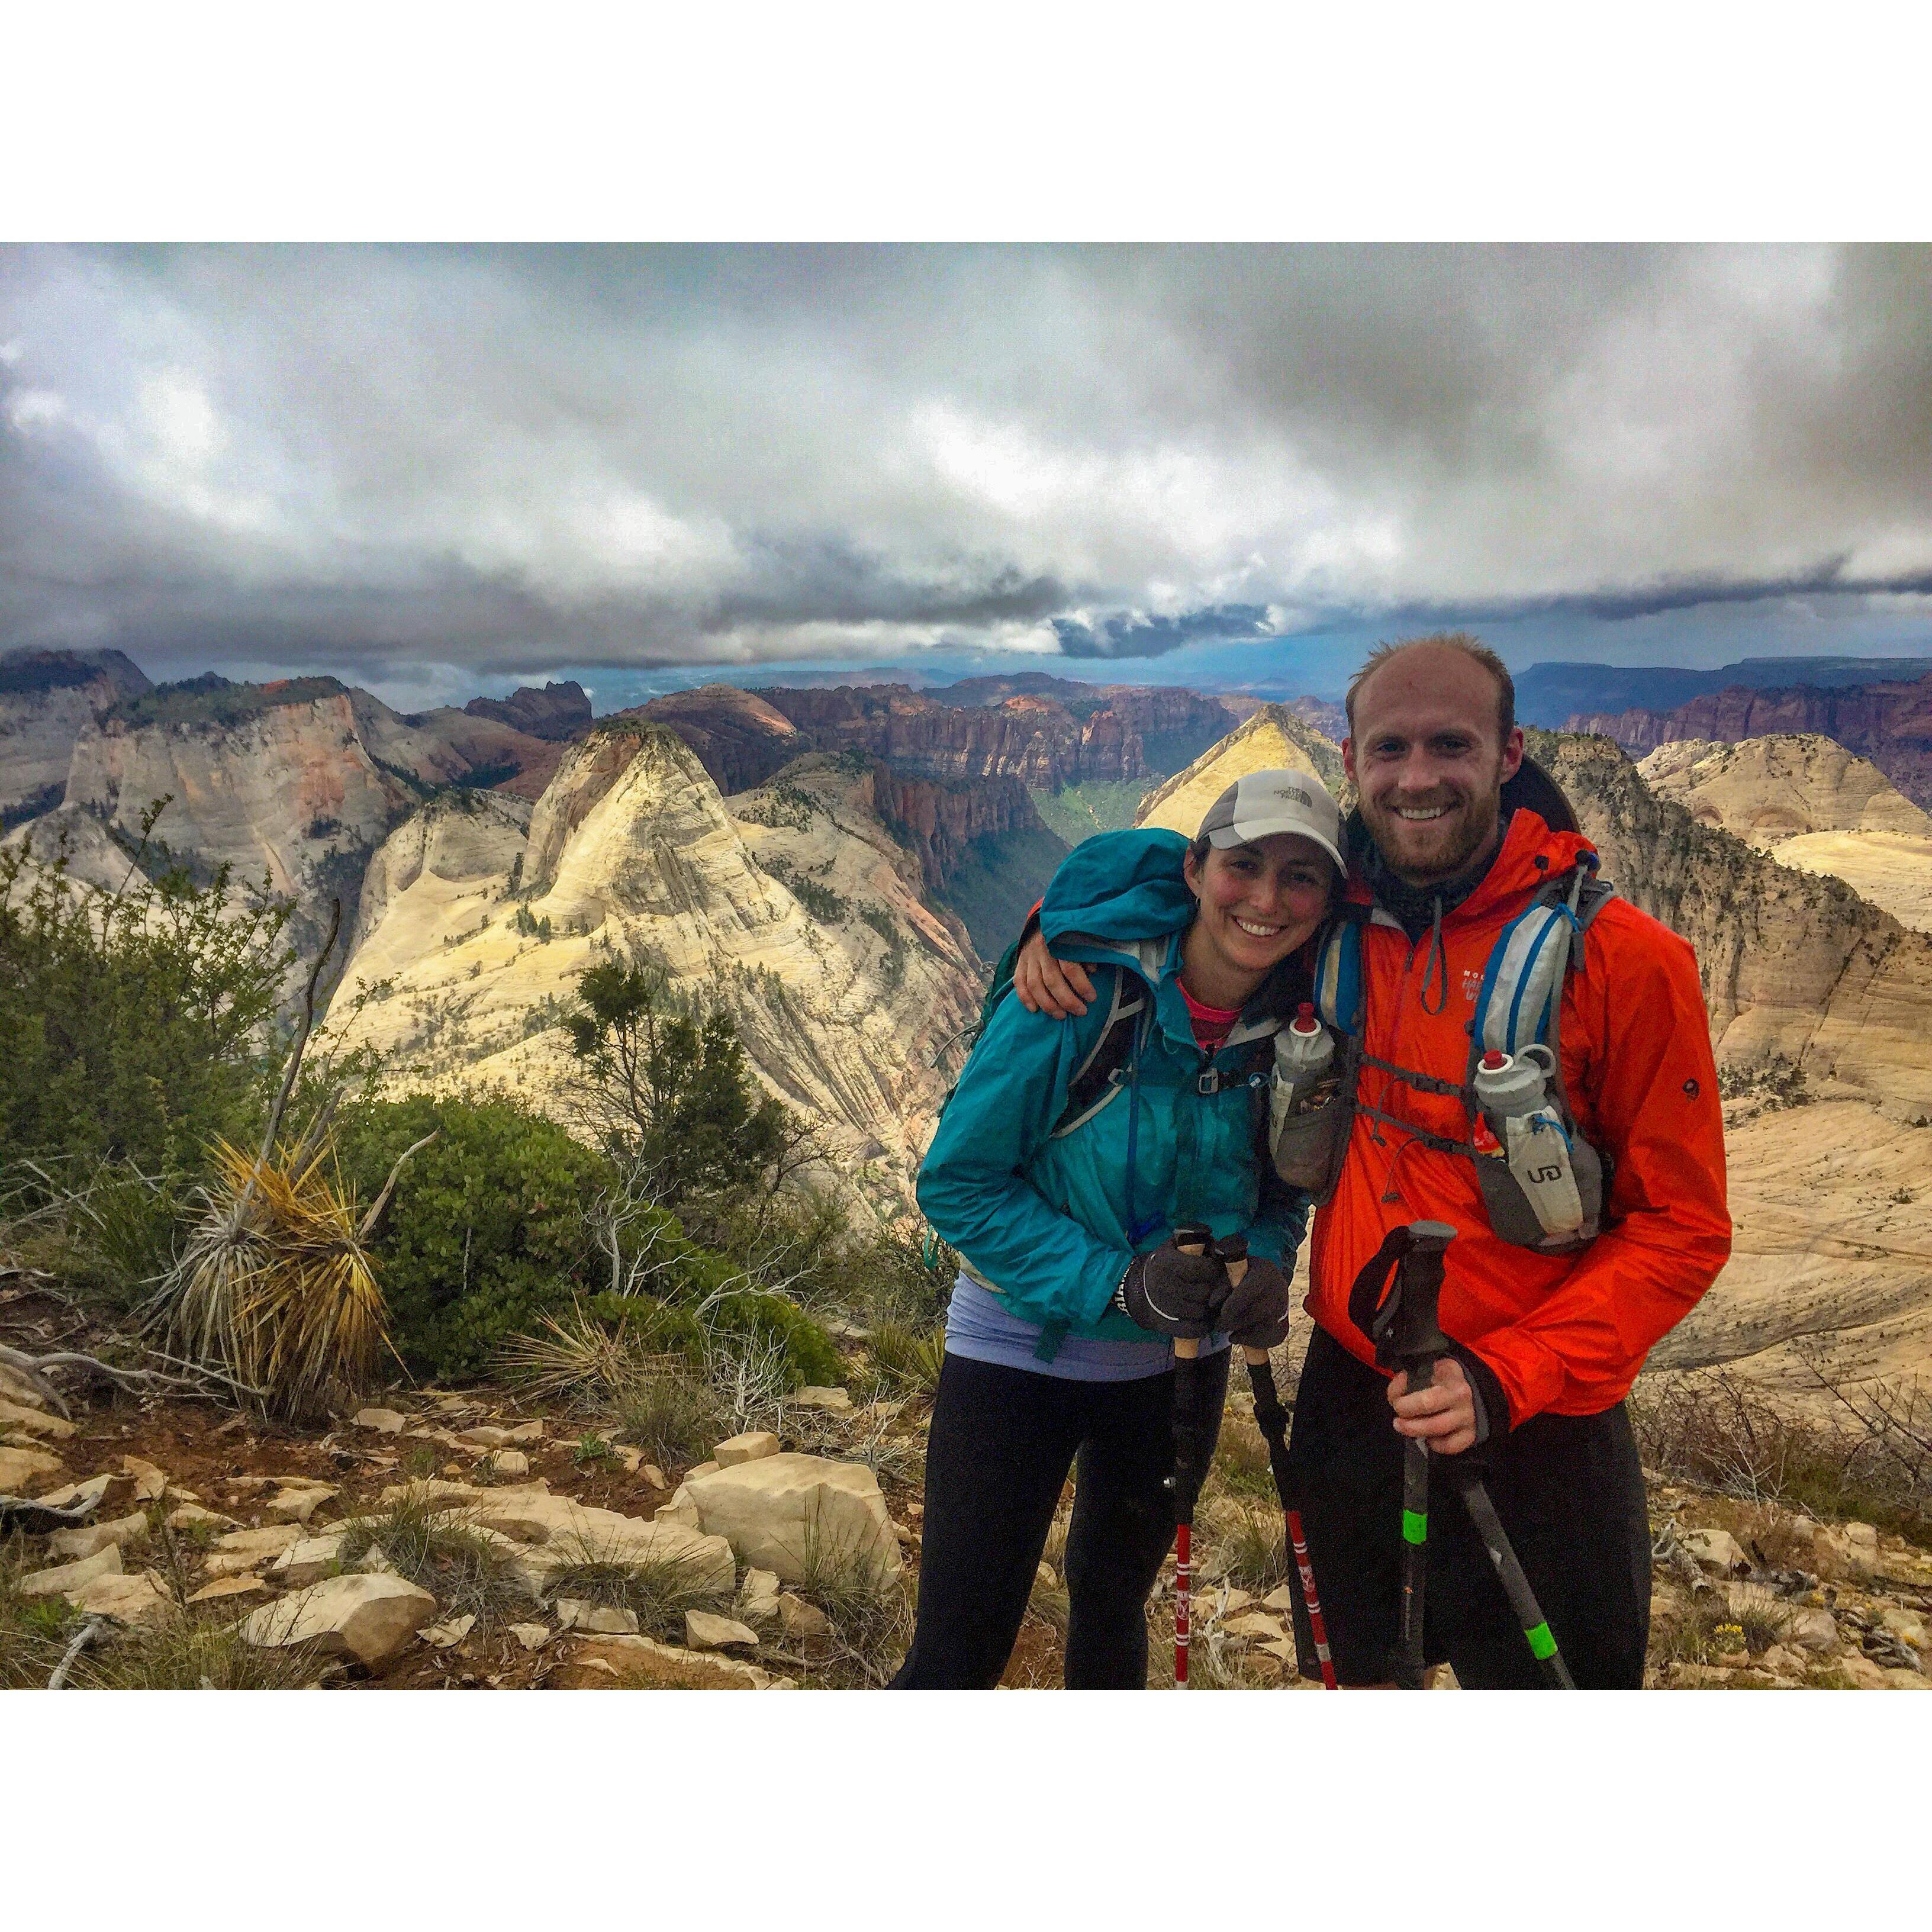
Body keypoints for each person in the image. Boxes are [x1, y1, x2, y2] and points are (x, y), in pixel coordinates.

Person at [1011, 633, 1731, 1688]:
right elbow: (1170, 877)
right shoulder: (1324, 911)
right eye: (1390, 747)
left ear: (1508, 752)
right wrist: (1051, 918)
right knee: (1353, 1685)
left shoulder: (1629, 962)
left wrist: (1504, 1378)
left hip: (1539, 1426)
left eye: (1453, 744)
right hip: (1353, 1398)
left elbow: (1685, 1228)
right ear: (1351, 764)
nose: (1419, 776)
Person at [894, 771, 1346, 1688]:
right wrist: (1115, 1283)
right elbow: (956, 1184)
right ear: (1195, 868)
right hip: (1017, 1355)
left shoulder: (1304, 1022)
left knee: (1111, 1618)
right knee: (959, 1652)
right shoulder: (1079, 994)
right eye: (1244, 866)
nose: (1267, 900)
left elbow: (1285, 1183)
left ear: (1329, 901)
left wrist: (1266, 1255)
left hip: (1176, 1373)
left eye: (1301, 878)